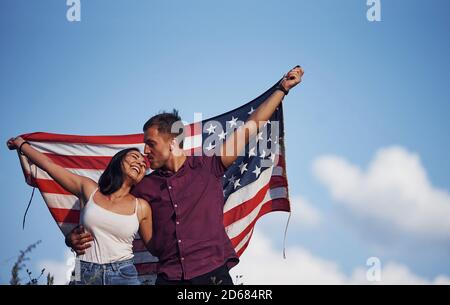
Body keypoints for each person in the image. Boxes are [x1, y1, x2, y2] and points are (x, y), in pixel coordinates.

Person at [66, 66, 304, 285]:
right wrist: (72, 238)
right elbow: (105, 208)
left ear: (171, 142)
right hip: (168, 278)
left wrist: (282, 88)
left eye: (150, 143)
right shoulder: (143, 187)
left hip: (213, 274)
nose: (145, 151)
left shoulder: (209, 166)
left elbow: (249, 128)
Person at [7, 137, 153, 285]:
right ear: (118, 161)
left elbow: (156, 247)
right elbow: (49, 166)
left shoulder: (141, 207)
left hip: (123, 274)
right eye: (135, 157)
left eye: (143, 165)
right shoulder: (89, 188)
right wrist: (21, 144)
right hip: (81, 270)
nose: (140, 164)